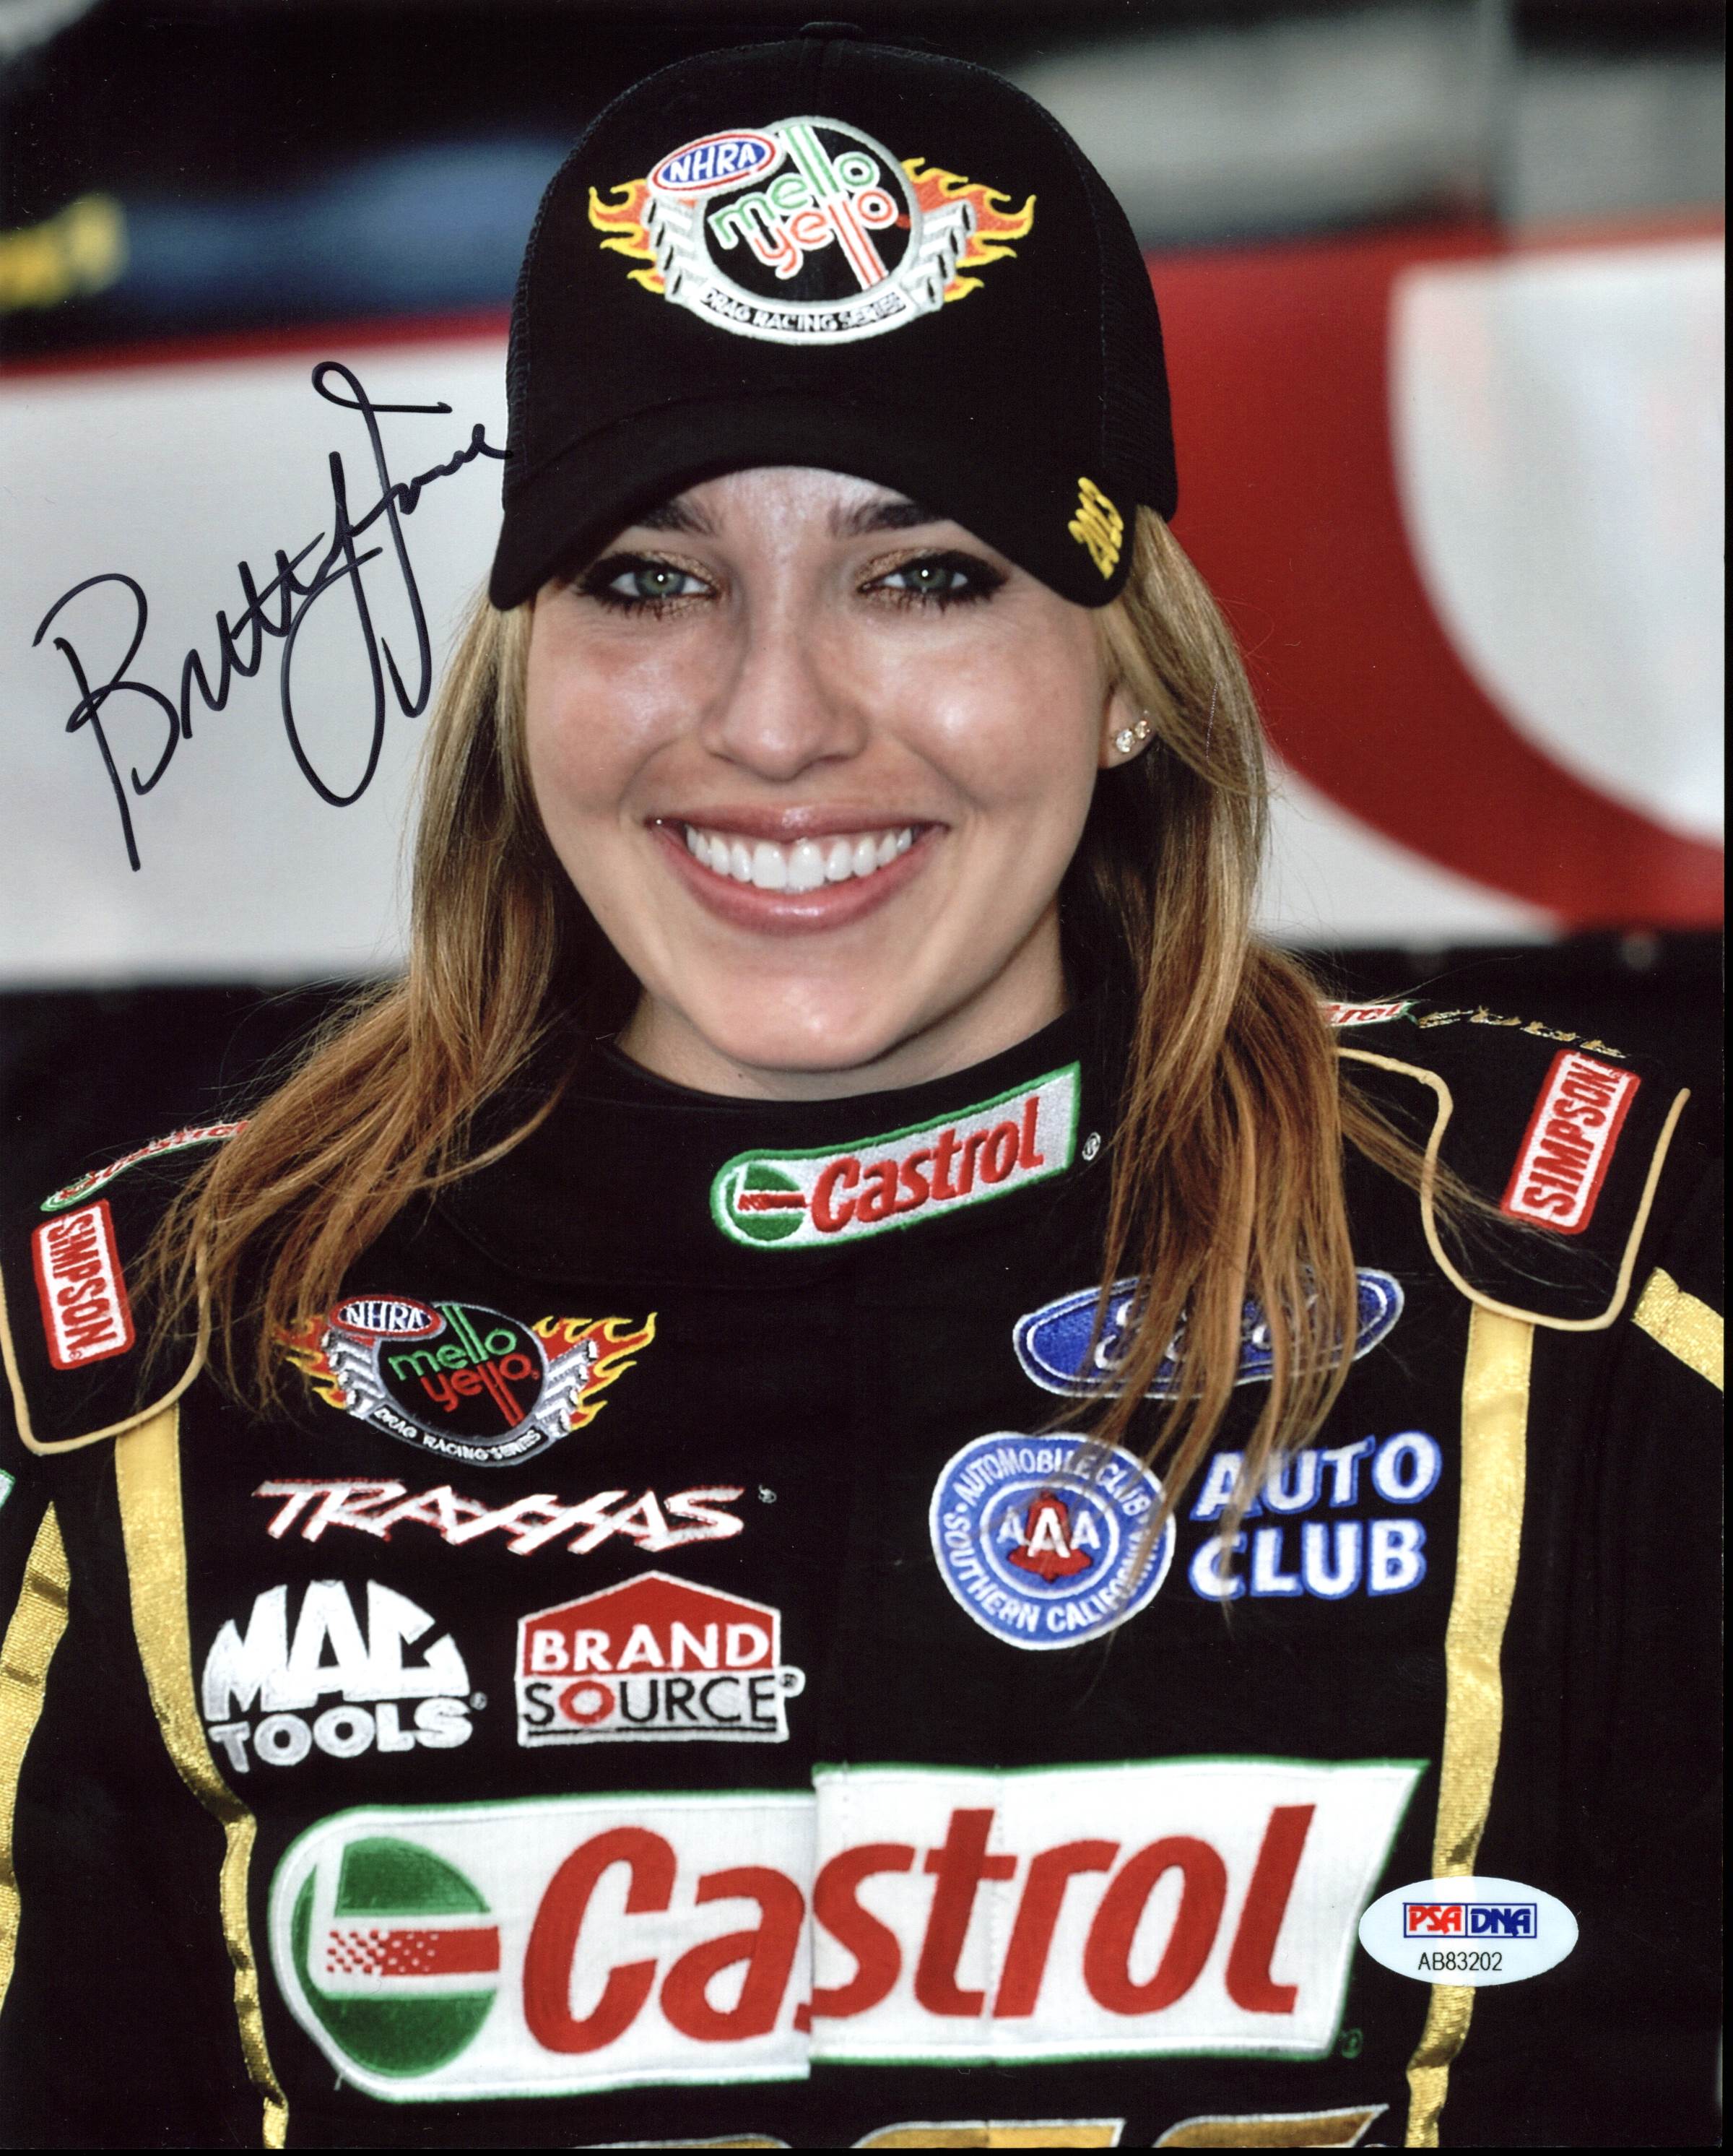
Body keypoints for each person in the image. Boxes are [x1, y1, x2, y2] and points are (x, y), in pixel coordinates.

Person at [0, 25, 1719, 2152]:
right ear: (527, 669)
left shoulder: (1573, 1302)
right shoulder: (174, 1366)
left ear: (1124, 676)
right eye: (651, 578)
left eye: (927, 576)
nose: (777, 719)